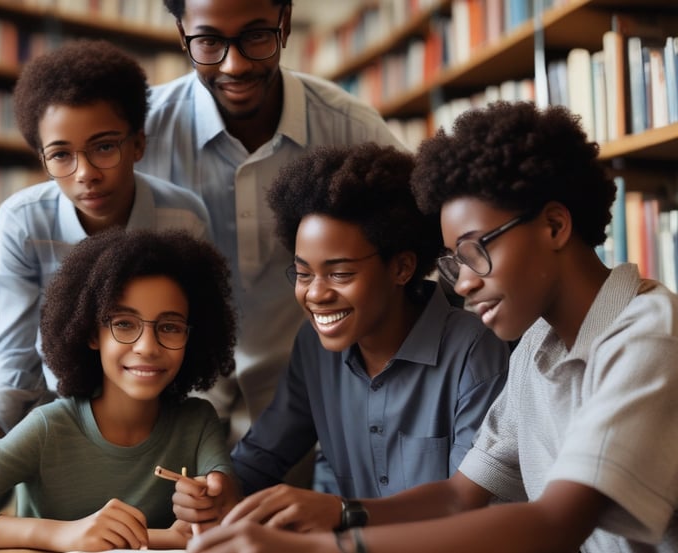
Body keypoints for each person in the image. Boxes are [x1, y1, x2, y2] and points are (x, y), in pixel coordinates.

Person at [183, 101, 678, 553]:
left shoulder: (647, 337)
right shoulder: (535, 346)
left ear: (553, 226)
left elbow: (555, 525)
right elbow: (459, 496)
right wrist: (341, 513)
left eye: (475, 252)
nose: (462, 284)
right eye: (453, 261)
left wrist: (324, 547)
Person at [0, 39, 213, 514]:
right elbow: (11, 355)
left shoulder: (183, 217)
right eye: (61, 155)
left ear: (139, 143)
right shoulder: (22, 221)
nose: (85, 174)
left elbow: (194, 338)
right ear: (41, 157)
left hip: (159, 429)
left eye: (105, 147)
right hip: (60, 426)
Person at [172, 143, 510, 529]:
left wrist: (340, 512)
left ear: (401, 268)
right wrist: (216, 487)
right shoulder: (314, 348)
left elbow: (467, 505)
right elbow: (262, 456)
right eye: (303, 273)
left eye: (340, 273)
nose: (315, 294)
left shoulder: (475, 350)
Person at [138, 0, 406, 453]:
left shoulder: (350, 129)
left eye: (256, 35)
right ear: (181, 34)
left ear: (284, 22)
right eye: (208, 42)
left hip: (319, 409)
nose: (235, 64)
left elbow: (425, 250)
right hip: (169, 405)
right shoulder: (141, 136)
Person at [0, 227, 238, 551]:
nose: (147, 347)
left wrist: (209, 502)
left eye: (170, 327)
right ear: (91, 333)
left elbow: (221, 505)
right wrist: (60, 534)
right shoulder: (48, 426)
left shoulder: (198, 423)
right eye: (124, 323)